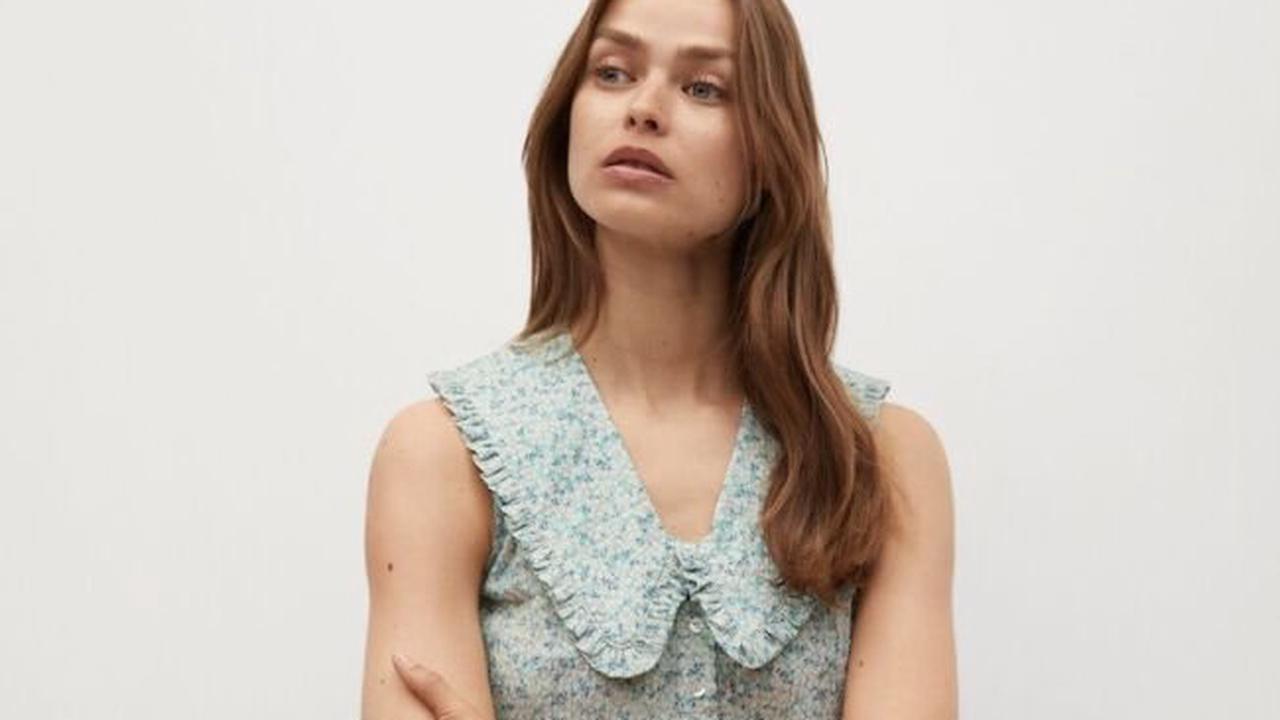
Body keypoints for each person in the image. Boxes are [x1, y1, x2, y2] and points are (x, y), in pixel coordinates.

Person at [361, 0, 957, 717]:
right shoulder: (443, 454)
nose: (643, 108)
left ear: (771, 149)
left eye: (704, 87)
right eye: (612, 72)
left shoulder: (881, 457)